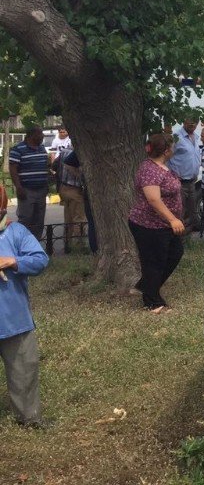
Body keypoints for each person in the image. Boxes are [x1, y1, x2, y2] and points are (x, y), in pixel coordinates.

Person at [0, 186, 50, 428]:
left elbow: (40, 260)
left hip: (14, 321)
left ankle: (29, 418)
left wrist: (13, 261)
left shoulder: (15, 232)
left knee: (24, 372)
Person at [129, 133, 185, 313]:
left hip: (163, 225)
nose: (174, 149)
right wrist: (173, 219)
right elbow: (153, 199)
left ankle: (145, 286)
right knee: (154, 261)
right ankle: (152, 302)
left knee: (175, 253)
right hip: (149, 224)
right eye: (172, 147)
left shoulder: (161, 167)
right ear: (167, 150)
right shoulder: (149, 170)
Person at [7, 127, 49, 241]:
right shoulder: (18, 149)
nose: (42, 136)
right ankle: (20, 244)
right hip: (26, 190)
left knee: (39, 220)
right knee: (25, 219)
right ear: (32, 135)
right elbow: (13, 169)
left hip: (41, 190)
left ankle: (35, 245)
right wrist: (18, 187)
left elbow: (45, 166)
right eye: (40, 133)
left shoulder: (42, 148)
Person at [167, 118, 201, 235]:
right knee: (178, 212)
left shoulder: (196, 137)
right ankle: (176, 240)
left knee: (192, 214)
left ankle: (184, 239)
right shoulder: (176, 137)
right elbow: (167, 156)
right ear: (183, 121)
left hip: (192, 182)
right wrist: (172, 175)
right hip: (179, 182)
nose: (192, 123)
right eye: (190, 121)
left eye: (195, 122)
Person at [57, 148, 85, 245]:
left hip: (63, 187)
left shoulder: (64, 151)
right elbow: (68, 165)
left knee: (68, 217)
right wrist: (81, 177)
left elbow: (55, 165)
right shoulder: (78, 151)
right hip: (75, 189)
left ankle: (67, 243)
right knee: (79, 218)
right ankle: (79, 245)